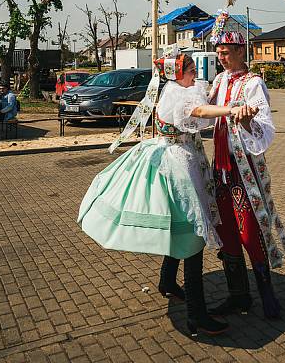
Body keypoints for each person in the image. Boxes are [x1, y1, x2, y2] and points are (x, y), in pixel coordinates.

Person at [78, 51, 240, 337]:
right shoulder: (178, 94)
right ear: (178, 73)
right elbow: (200, 112)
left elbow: (202, 102)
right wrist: (231, 110)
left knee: (180, 230)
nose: (195, 74)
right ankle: (197, 315)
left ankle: (167, 282)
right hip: (179, 167)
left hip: (181, 158)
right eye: (191, 69)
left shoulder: (176, 88)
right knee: (193, 237)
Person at [207, 29, 285, 321]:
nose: (221, 55)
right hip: (220, 169)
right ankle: (239, 297)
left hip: (242, 169)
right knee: (226, 232)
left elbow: (265, 127)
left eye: (226, 50)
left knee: (249, 232)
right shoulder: (218, 81)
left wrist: (245, 123)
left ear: (242, 51)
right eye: (219, 51)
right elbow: (204, 111)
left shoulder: (254, 83)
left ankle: (267, 294)